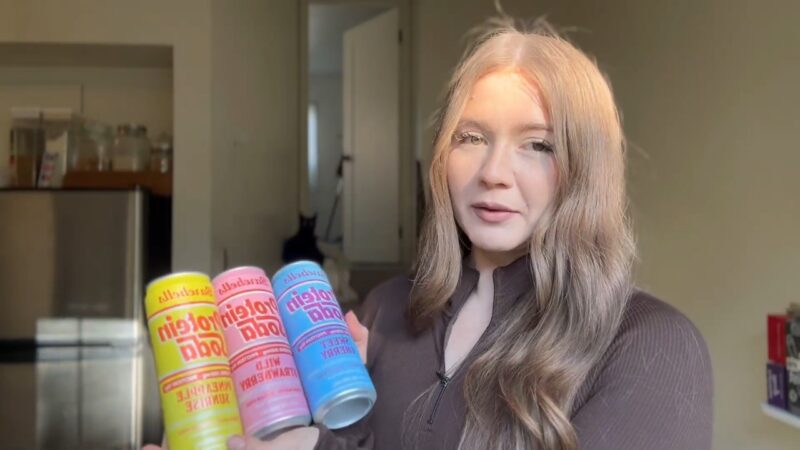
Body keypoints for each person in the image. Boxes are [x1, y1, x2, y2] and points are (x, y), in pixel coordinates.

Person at [145, 17, 713, 450]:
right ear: (442, 155)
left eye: (537, 144)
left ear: (587, 169)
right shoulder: (386, 313)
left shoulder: (652, 346)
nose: (494, 171)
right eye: (471, 137)